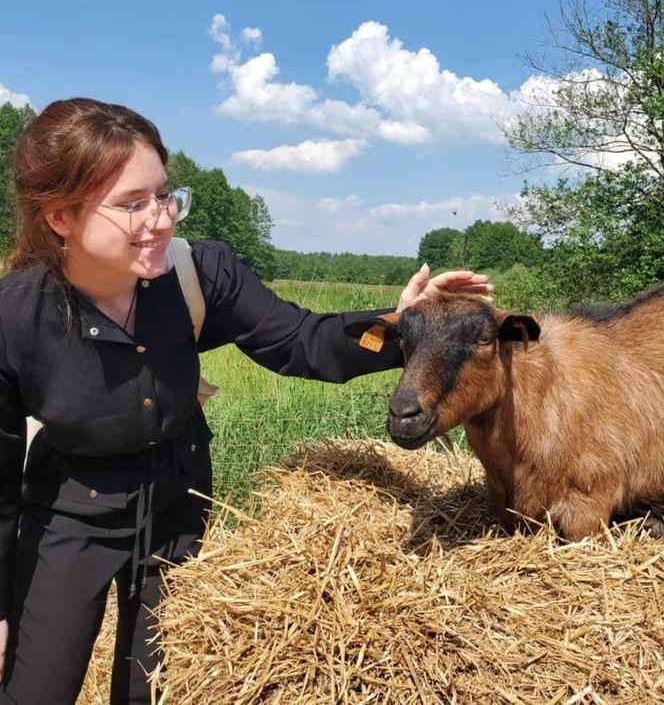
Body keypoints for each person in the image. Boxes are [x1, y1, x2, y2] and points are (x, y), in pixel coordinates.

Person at [0, 98, 493, 705]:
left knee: (151, 690)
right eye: (132, 205)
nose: (160, 220)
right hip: (69, 515)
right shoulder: (15, 317)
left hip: (179, 506)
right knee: (34, 691)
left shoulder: (196, 274)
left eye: (164, 196)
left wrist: (411, 322)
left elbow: (302, 341)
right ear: (60, 218)